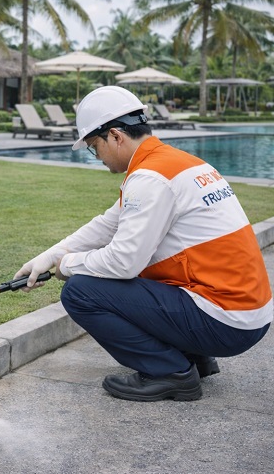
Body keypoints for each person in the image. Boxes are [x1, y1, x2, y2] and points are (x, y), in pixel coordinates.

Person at [14, 86, 272, 402]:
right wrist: (49, 255)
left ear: (115, 136)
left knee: (81, 291)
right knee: (139, 272)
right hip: (246, 313)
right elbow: (108, 224)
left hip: (226, 321)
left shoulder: (150, 178)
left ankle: (171, 373)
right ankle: (193, 356)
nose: (98, 157)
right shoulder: (172, 162)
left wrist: (65, 265)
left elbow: (124, 262)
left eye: (95, 147)